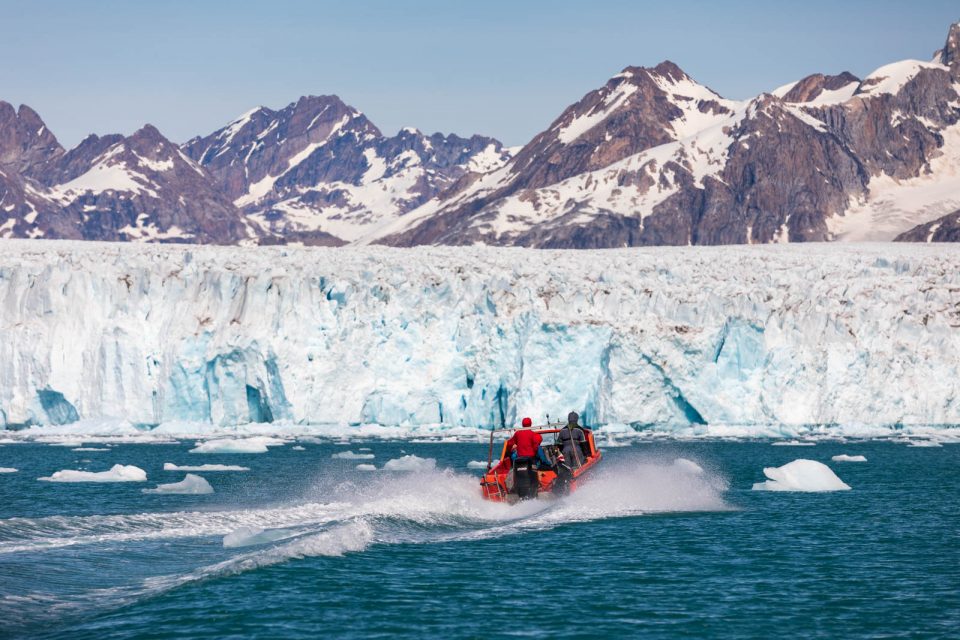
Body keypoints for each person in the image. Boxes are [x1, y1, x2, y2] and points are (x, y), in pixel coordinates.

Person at [504, 417, 551, 499]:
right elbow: (537, 446)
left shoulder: (517, 434)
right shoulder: (533, 435)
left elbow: (510, 443)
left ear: (522, 424)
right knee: (542, 465)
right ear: (530, 424)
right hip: (531, 460)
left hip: (519, 461)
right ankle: (541, 487)